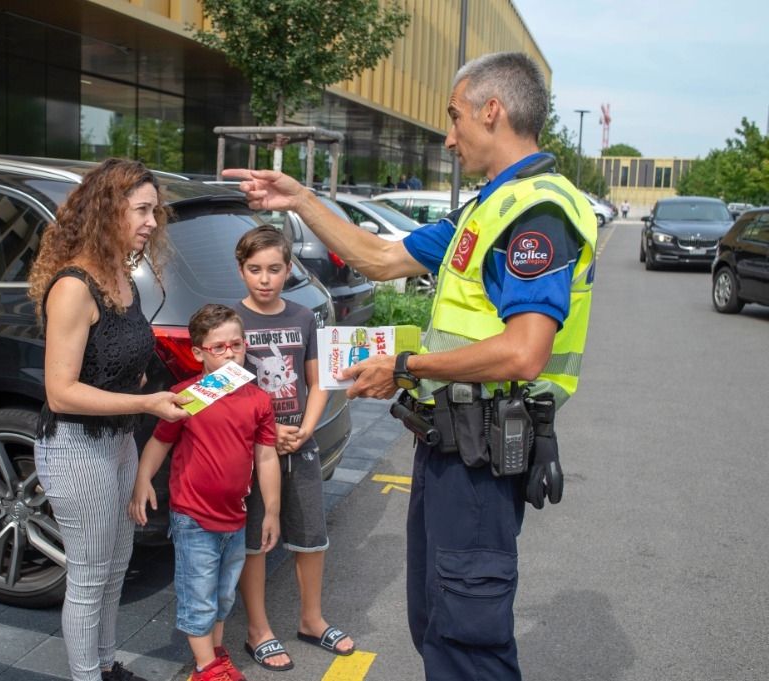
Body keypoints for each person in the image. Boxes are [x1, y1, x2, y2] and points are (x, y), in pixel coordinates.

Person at [226, 51, 597, 681]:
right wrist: (299, 199)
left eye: (454, 118)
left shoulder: (537, 212)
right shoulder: (486, 208)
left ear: (492, 110)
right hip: (449, 449)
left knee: (466, 638)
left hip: (479, 457)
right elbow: (378, 256)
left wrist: (407, 365)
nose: (448, 137)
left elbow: (524, 349)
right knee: (436, 623)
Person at [28, 158, 193, 681]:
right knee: (89, 576)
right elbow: (61, 392)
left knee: (116, 567)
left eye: (155, 211)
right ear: (108, 210)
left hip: (117, 442)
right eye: (142, 210)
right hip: (76, 448)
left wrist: (156, 388)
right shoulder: (74, 286)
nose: (152, 222)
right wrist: (144, 404)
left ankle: (105, 666)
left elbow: (120, 362)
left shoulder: (122, 274)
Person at [130, 304, 281, 681]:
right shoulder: (189, 395)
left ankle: (213, 654)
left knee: (223, 595)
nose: (230, 353)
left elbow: (266, 458)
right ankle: (207, 668)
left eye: (236, 344)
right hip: (194, 517)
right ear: (198, 352)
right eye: (219, 347)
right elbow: (159, 442)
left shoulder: (258, 400)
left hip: (235, 516)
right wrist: (142, 480)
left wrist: (273, 512)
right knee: (199, 596)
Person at [231, 226, 354, 672]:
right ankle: (258, 630)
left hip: (299, 444)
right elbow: (222, 390)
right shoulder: (232, 322)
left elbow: (318, 380)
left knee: (311, 535)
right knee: (256, 541)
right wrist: (263, 432)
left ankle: (311, 619)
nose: (265, 279)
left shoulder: (304, 317)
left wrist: (305, 427)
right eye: (255, 269)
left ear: (288, 269)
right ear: (241, 269)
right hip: (252, 449)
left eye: (275, 269)